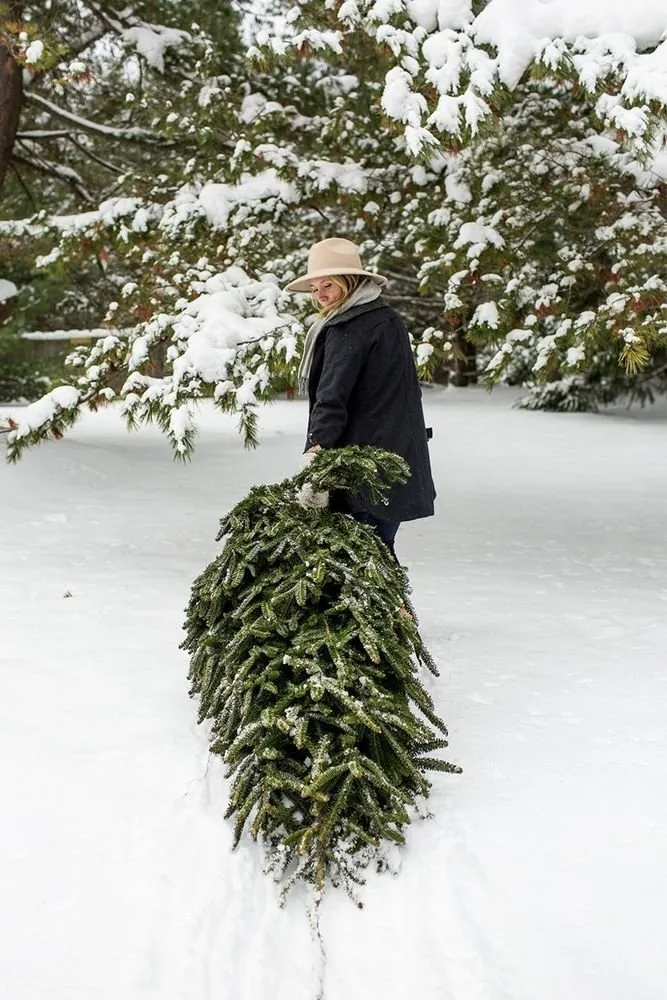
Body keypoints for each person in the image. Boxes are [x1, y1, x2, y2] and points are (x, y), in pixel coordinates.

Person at [285, 237, 435, 557]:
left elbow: (331, 399)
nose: (321, 294)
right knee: (378, 556)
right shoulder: (386, 319)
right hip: (394, 464)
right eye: (314, 288)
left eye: (328, 284)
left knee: (357, 564)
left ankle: (395, 610)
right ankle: (397, 609)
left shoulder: (349, 327)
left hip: (361, 470)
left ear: (350, 282)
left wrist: (316, 456)